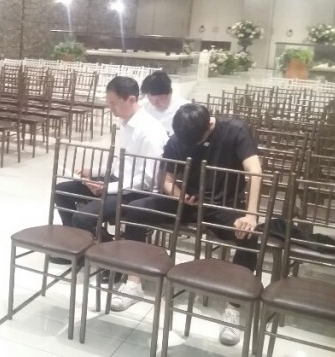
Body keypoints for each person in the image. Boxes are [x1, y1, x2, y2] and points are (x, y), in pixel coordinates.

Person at [111, 103, 262, 348]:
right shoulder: (180, 136)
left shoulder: (235, 130)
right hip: (188, 201)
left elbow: (255, 171)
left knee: (249, 235)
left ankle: (233, 307)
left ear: (209, 125)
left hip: (223, 205)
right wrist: (178, 194)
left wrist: (251, 214)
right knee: (137, 210)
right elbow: (166, 178)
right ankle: (133, 282)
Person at [52, 76, 167, 266]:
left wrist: (108, 188)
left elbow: (148, 179)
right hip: (116, 182)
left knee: (83, 218)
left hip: (134, 192)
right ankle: (78, 248)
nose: (111, 109)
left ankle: (112, 258)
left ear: (131, 99)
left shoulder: (150, 131)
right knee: (61, 191)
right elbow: (120, 163)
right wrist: (93, 172)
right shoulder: (127, 123)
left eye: (113, 104)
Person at [139, 70, 189, 135]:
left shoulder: (185, 109)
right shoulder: (143, 106)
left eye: (160, 99)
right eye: (151, 99)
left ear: (170, 93)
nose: (155, 103)